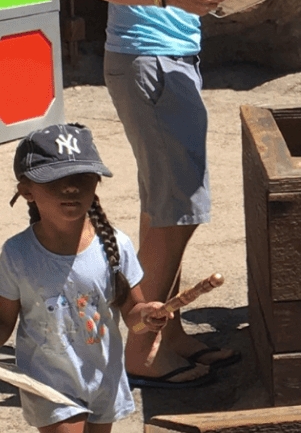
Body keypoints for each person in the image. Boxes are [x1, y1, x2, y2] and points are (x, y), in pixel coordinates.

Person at [75, 0, 239, 387]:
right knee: (180, 208)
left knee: (169, 208)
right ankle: (145, 352)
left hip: (175, 54)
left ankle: (162, 330)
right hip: (147, 57)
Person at [0, 123, 174, 432]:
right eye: (55, 179)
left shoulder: (115, 246)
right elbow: (3, 322)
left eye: (82, 177)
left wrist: (147, 317)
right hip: (49, 382)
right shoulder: (17, 254)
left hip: (102, 375)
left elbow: (132, 313)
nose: (71, 187)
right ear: (26, 190)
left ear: (96, 182)